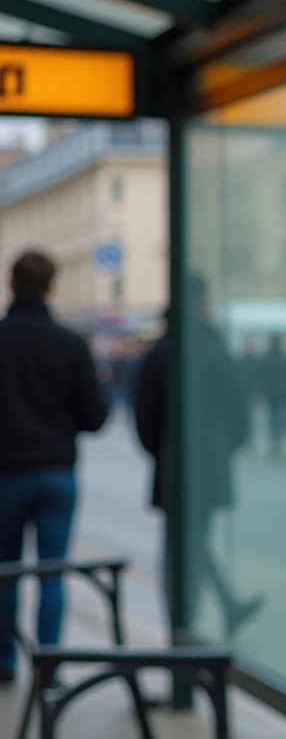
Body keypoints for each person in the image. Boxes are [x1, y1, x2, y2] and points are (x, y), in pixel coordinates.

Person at [133, 274, 264, 639]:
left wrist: (163, 452)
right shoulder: (216, 349)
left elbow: (144, 416)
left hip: (176, 464)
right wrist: (219, 449)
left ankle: (187, 624)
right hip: (208, 466)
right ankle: (209, 613)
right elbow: (241, 417)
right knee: (192, 542)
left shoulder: (162, 351)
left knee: (182, 547)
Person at [0, 251, 108, 685]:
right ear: (51, 288)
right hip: (56, 474)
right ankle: (49, 667)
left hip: (5, 475)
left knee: (5, 572)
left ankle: (5, 659)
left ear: (11, 285)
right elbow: (95, 416)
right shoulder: (70, 343)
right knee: (52, 572)